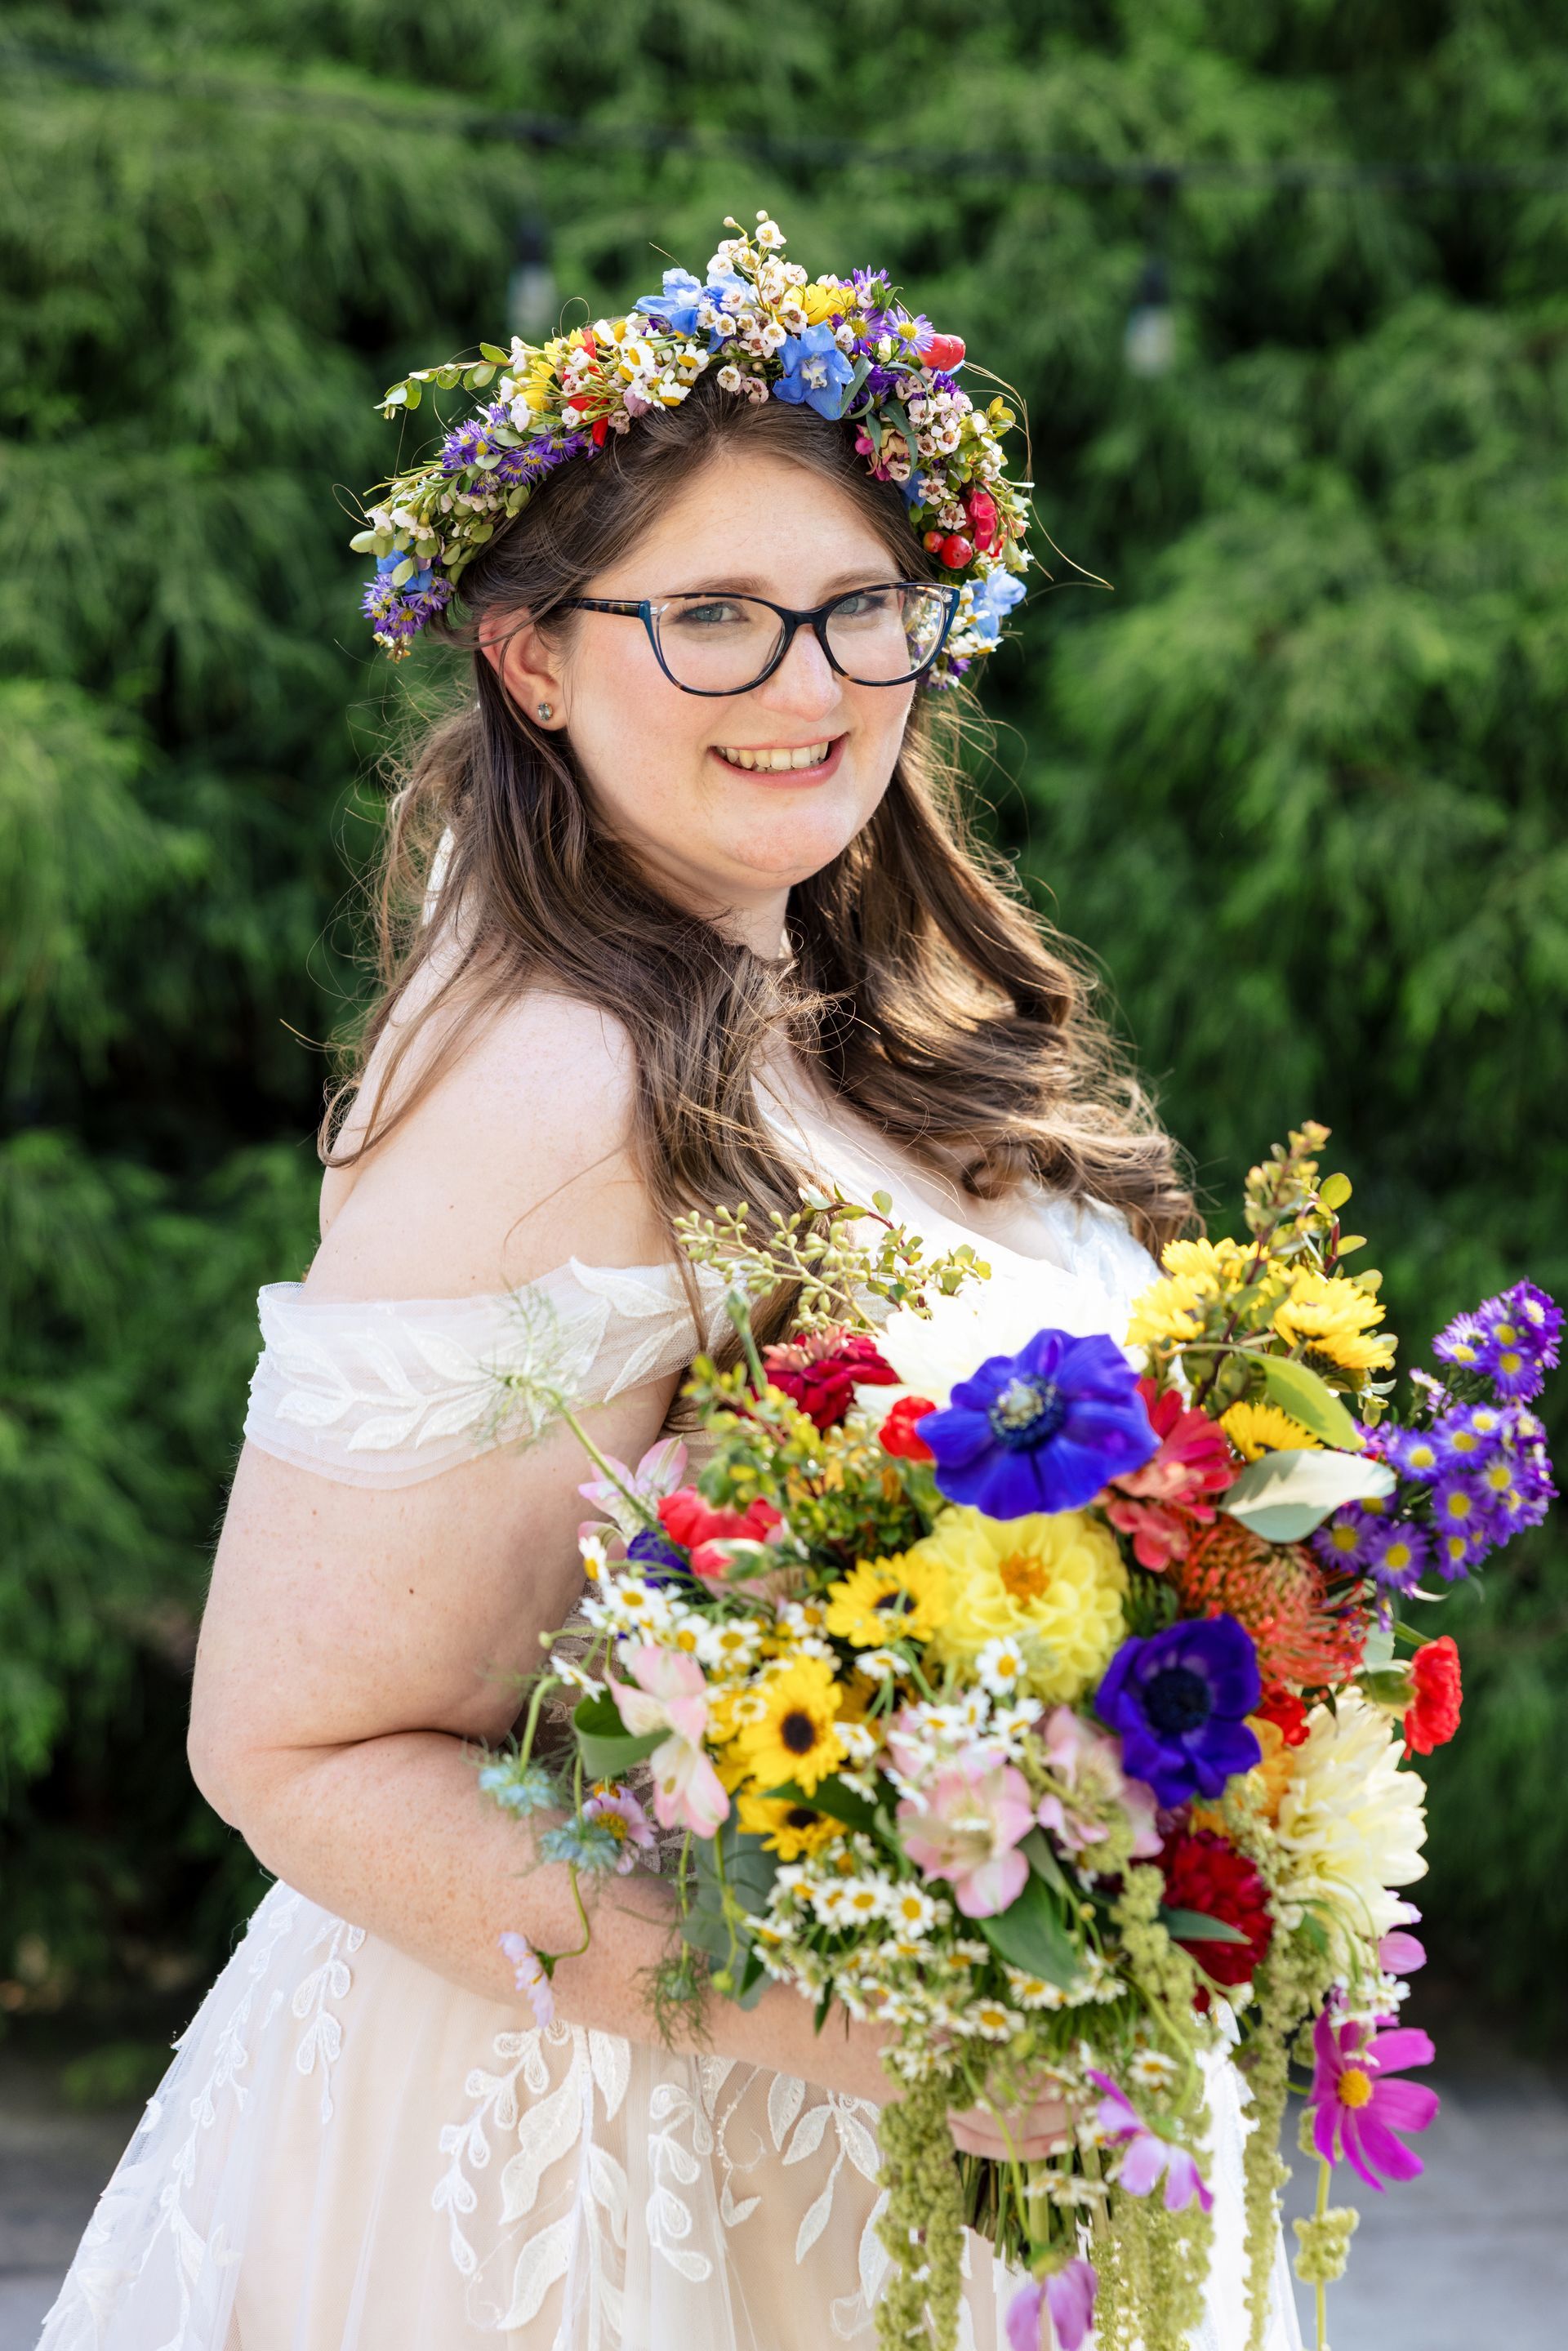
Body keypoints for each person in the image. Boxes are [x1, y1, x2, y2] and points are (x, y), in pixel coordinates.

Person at [38, 218, 1301, 2351]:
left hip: (1003, 2142)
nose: (809, 687)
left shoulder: (871, 1005)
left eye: (856, 609)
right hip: (650, 2185)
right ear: (533, 653)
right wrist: (900, 2039)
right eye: (711, 616)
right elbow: (298, 1744)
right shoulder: (541, 1086)